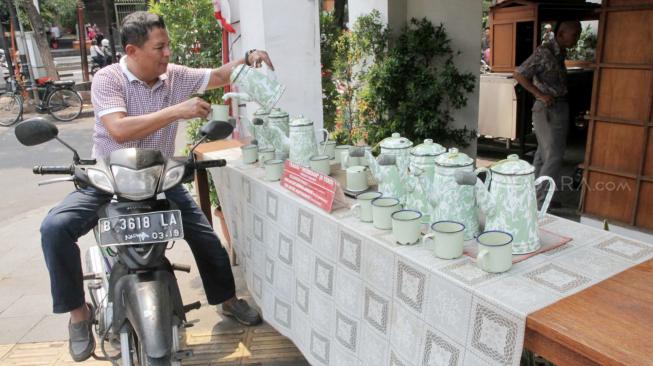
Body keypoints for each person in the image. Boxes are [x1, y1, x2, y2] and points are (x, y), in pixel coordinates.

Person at [40, 11, 274, 362]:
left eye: (167, 46)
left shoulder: (174, 76)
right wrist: (177, 111)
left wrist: (249, 57)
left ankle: (227, 300)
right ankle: (79, 315)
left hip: (158, 179)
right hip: (108, 178)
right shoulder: (108, 79)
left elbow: (221, 75)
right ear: (132, 51)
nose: (167, 54)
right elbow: (118, 129)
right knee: (54, 228)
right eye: (159, 47)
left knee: (205, 237)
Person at [514, 21, 581, 206]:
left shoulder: (559, 53)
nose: (577, 38)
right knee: (554, 156)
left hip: (556, 107)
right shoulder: (544, 52)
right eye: (575, 34)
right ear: (560, 34)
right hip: (548, 108)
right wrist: (540, 94)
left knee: (543, 155)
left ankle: (534, 197)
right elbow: (519, 73)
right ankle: (539, 202)